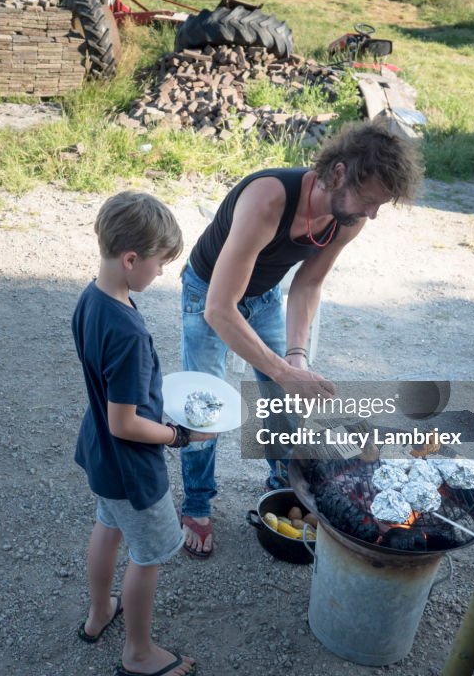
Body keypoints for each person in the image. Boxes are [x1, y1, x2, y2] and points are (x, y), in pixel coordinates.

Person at [178, 118, 424, 558]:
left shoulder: (348, 220)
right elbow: (219, 308)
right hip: (206, 293)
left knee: (283, 398)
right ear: (338, 173)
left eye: (380, 205)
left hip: (266, 297)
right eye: (370, 200)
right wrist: (283, 371)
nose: (372, 214)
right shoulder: (268, 199)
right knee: (205, 405)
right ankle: (197, 503)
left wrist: (296, 359)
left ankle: (280, 483)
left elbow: (308, 286)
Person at [72, 191, 213, 676]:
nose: (160, 273)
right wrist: (179, 437)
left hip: (101, 457)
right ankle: (138, 654)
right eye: (158, 264)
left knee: (107, 528)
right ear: (130, 259)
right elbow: (125, 422)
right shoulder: (127, 331)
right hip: (132, 467)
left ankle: (98, 614)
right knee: (149, 554)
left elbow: (110, 401)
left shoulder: (92, 297)